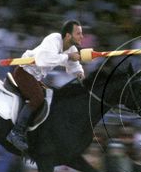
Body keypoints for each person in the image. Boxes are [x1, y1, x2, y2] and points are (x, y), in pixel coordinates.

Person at [7, 20, 85, 152]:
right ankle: (16, 133)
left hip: (36, 77)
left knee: (52, 97)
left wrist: (80, 72)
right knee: (37, 98)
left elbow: (73, 65)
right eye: (78, 33)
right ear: (68, 35)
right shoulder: (53, 39)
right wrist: (67, 57)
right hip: (24, 72)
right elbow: (44, 60)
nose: (82, 37)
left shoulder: (71, 49)